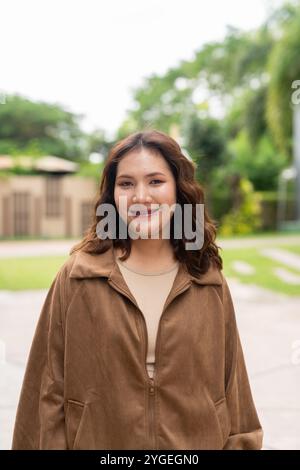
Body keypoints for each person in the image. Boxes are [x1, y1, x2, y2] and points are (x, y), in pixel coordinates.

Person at [12, 129, 263, 450]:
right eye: (126, 183)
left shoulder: (207, 279)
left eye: (156, 181)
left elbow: (234, 393)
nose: (141, 196)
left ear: (178, 190)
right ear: (112, 196)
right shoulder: (77, 277)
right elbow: (45, 392)